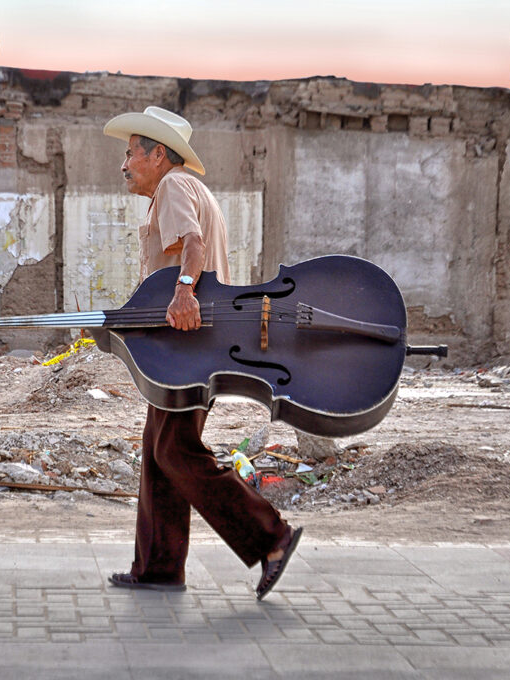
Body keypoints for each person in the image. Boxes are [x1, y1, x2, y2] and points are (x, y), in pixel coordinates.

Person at [102, 106, 302, 600]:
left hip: (188, 341)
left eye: (131, 153)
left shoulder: (174, 186)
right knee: (158, 450)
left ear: (158, 154)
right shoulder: (187, 189)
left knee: (174, 449)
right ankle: (159, 568)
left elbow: (192, 245)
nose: (124, 164)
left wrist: (185, 289)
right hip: (181, 339)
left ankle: (271, 538)